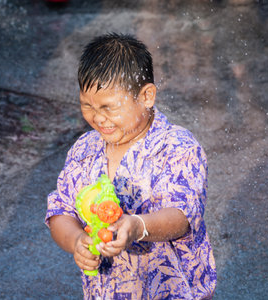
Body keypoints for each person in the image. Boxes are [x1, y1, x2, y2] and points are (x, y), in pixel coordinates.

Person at [45, 33, 216, 299]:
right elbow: (60, 210)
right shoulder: (84, 150)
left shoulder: (177, 148)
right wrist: (76, 241)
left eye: (108, 107)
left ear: (146, 96)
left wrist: (138, 226)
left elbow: (183, 215)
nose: (98, 118)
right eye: (87, 105)